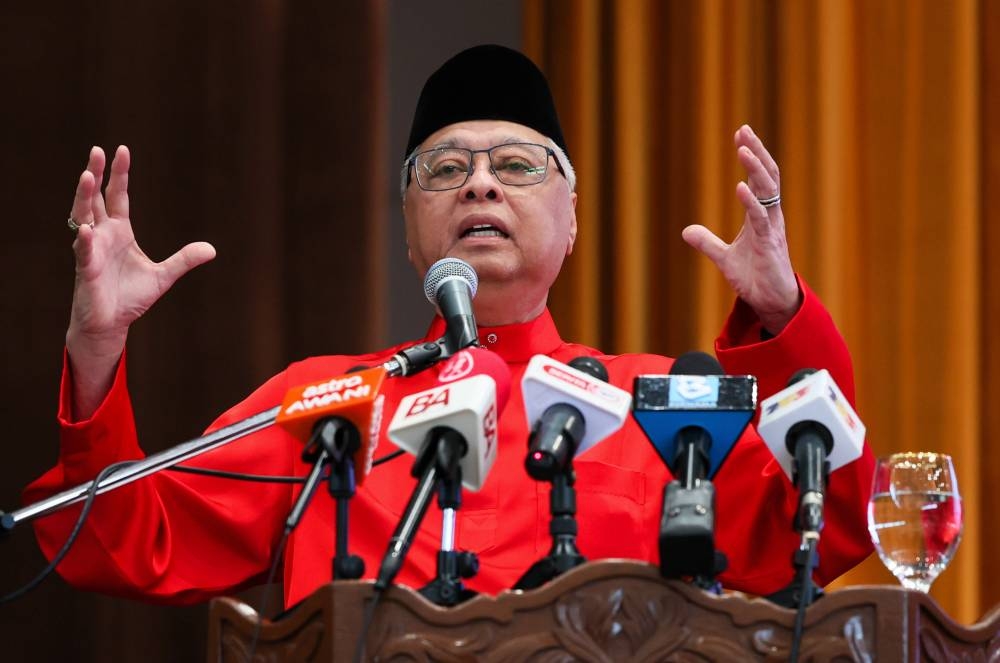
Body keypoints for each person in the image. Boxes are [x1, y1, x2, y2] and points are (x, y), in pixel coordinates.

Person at [25, 45, 874, 608]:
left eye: (514, 164)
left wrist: (785, 313)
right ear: (407, 225)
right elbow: (116, 535)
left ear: (571, 219)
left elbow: (833, 521)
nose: (479, 186)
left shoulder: (654, 404)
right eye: (444, 167)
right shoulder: (325, 401)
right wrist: (97, 350)